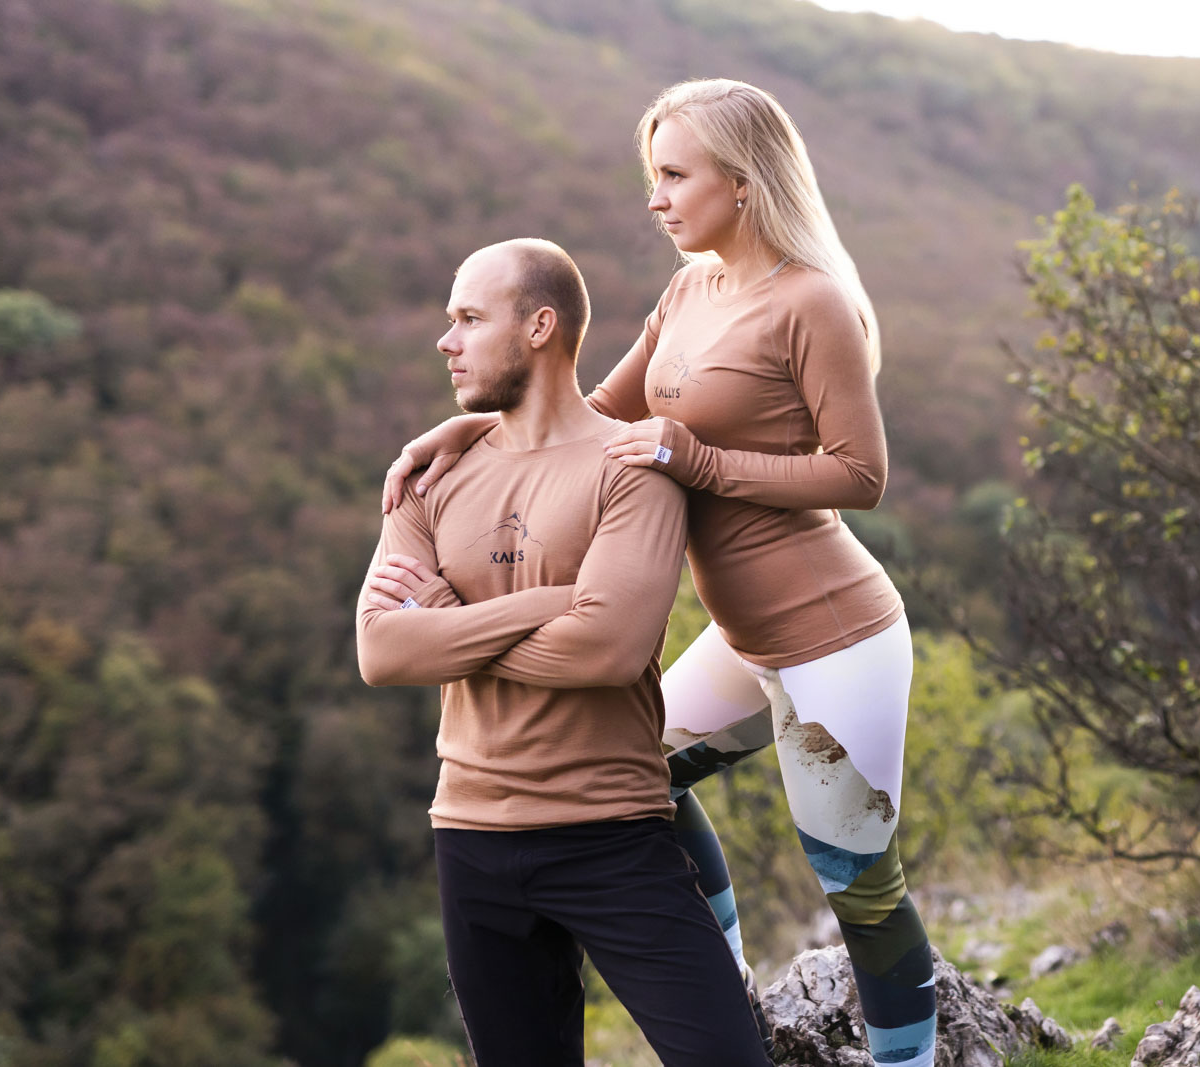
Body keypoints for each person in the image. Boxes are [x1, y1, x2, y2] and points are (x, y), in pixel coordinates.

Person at [384, 81, 937, 1067]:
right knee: (653, 770)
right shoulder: (688, 292)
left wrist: (703, 462)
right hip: (740, 635)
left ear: (741, 179)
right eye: (653, 177)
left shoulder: (811, 301)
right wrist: (464, 426)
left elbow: (861, 474)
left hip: (834, 636)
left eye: (673, 175)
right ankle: (713, 983)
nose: (657, 198)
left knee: (855, 877)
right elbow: (590, 410)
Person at [357, 237, 773, 1067]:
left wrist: (453, 618)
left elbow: (609, 649)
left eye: (469, 319)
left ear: (540, 325)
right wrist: (550, 604)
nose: (446, 341)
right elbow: (381, 650)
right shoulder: (430, 475)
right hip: (469, 835)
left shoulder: (632, 464)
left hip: (610, 832)